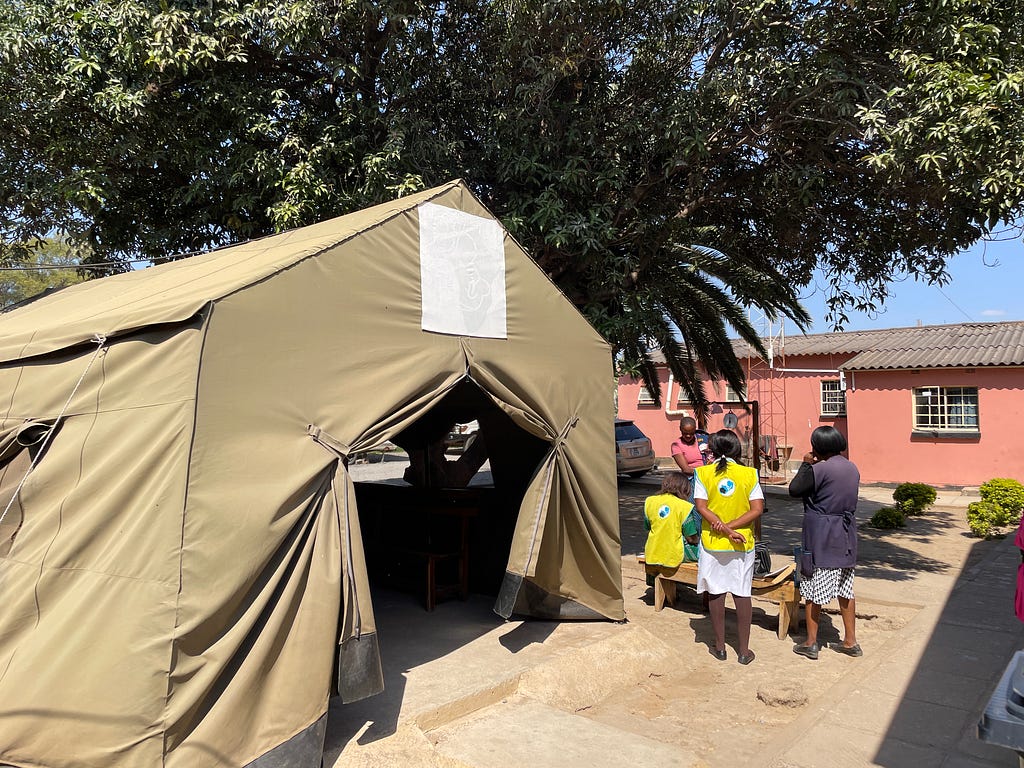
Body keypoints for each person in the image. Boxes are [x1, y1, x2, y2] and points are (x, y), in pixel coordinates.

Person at [788, 426, 862, 660]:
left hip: (821, 532)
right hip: (846, 532)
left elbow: (795, 489)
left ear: (817, 447)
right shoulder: (852, 467)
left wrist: (806, 464)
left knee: (813, 586)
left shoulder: (818, 469)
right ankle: (850, 641)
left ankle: (811, 642)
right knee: (845, 587)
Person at [693, 430, 764, 664]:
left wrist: (722, 528)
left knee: (716, 591)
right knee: (742, 592)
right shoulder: (749, 474)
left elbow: (701, 507)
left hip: (712, 542)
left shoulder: (703, 473)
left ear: (712, 449)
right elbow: (756, 510)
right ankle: (744, 651)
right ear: (736, 449)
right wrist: (732, 528)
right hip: (741, 543)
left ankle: (720, 646)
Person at [644, 471, 701, 570]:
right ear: (685, 489)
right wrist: (699, 540)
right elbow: (691, 538)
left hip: (653, 551)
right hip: (674, 554)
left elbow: (648, 527)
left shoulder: (650, 501)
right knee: (704, 553)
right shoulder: (684, 507)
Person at [671, 417, 709, 498]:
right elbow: (686, 469)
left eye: (691, 433)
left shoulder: (703, 440)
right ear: (680, 429)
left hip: (708, 479)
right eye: (685, 433)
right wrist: (705, 472)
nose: (688, 436)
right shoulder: (677, 445)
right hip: (692, 481)